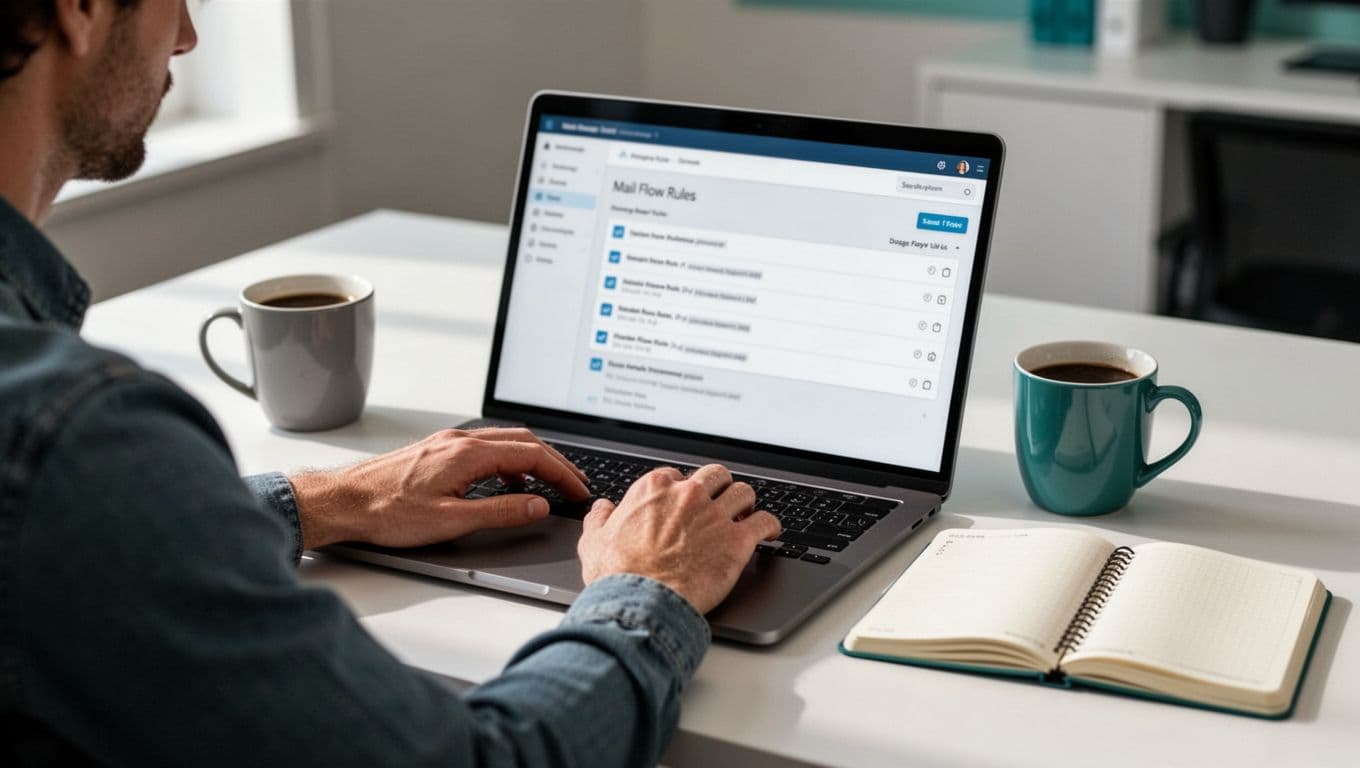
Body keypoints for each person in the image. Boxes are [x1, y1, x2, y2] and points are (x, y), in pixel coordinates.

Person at [0, 1, 780, 765]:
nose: (189, 35)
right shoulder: (73, 434)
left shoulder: (55, 450)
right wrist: (651, 587)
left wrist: (322, 502)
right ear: (81, 9)